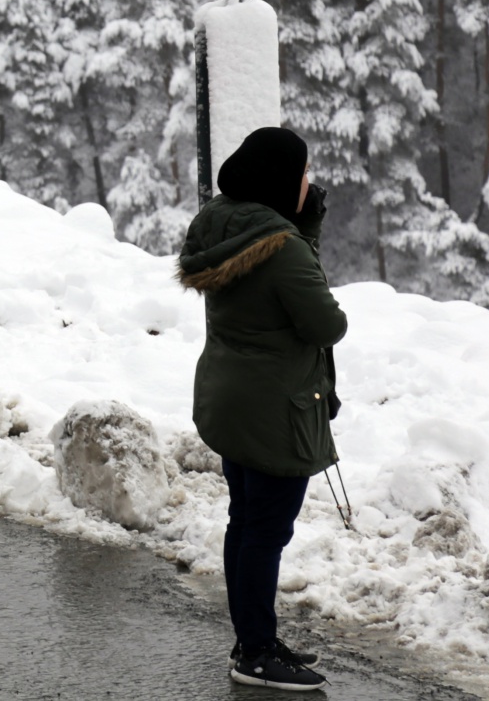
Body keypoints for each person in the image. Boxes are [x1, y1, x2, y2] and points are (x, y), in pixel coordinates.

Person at [175, 126, 346, 692]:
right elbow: (327, 324)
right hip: (276, 411)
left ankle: (254, 636)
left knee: (245, 521)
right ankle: (254, 653)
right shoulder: (284, 248)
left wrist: (300, 229)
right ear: (280, 180)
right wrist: (306, 235)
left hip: (233, 398)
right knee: (265, 531)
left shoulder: (223, 223)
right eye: (300, 173)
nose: (307, 182)